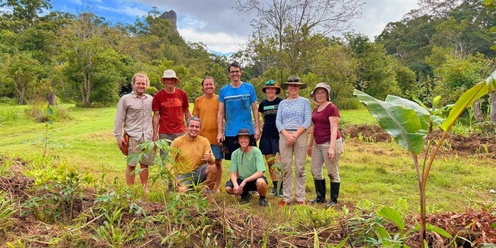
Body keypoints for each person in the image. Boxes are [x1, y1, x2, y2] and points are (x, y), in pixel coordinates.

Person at [113, 73, 154, 193]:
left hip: (147, 136)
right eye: (138, 83)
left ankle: (144, 188)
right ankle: (130, 189)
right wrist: (118, 136)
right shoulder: (125, 99)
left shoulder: (150, 99)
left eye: (143, 83)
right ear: (133, 84)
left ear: (146, 84)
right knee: (132, 163)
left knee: (145, 164)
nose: (141, 86)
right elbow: (119, 118)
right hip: (132, 136)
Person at [275, 75, 312, 206]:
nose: (293, 88)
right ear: (287, 88)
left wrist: (295, 135)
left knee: (300, 166)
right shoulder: (282, 103)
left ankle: (300, 197)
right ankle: (287, 197)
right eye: (291, 85)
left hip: (300, 133)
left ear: (299, 87)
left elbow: (308, 120)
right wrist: (286, 134)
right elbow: (278, 121)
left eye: (295, 85)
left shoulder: (305, 102)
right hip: (285, 134)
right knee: (286, 166)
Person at [152, 69, 191, 191]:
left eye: (172, 79)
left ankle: (182, 184)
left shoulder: (182, 94)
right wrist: (155, 133)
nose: (170, 81)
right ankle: (170, 185)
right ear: (164, 81)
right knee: (167, 160)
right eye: (167, 79)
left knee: (181, 158)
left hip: (180, 131)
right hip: (164, 132)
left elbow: (186, 111)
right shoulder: (158, 96)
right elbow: (156, 115)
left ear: (175, 81)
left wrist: (189, 128)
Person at [307, 83, 344, 207]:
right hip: (318, 143)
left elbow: (334, 129)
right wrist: (310, 145)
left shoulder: (331, 108)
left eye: (323, 92)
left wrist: (332, 148)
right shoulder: (316, 109)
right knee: (315, 170)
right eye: (318, 93)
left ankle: (333, 199)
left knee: (332, 171)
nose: (320, 95)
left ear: (327, 94)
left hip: (330, 142)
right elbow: (314, 127)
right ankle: (320, 197)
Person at [217, 61, 260, 160]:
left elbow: (254, 108)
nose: (235, 74)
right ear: (229, 74)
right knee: (234, 160)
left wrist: (257, 128)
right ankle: (235, 176)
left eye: (237, 71)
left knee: (250, 159)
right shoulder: (224, 90)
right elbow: (220, 112)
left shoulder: (249, 87)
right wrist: (220, 132)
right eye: (232, 72)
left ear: (241, 73)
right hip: (231, 132)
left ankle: (251, 176)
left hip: (248, 130)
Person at [169, 116, 218, 193]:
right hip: (181, 175)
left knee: (213, 167)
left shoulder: (204, 141)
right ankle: (183, 188)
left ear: (200, 129)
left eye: (197, 127)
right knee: (182, 192)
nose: (194, 129)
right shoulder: (177, 142)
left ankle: (208, 194)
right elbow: (169, 162)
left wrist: (210, 159)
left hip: (197, 172)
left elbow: (213, 159)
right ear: (186, 127)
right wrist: (174, 180)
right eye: (192, 126)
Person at [193, 76, 223, 193]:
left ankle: (217, 187)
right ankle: (206, 186)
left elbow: (224, 117)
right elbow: (195, 119)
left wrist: (222, 133)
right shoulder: (198, 101)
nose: (209, 86)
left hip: (216, 137)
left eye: (211, 84)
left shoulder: (220, 100)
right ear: (203, 87)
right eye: (206, 85)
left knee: (218, 162)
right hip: (202, 138)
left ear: (214, 86)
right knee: (204, 162)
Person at [225, 129, 268, 207]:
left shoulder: (256, 151)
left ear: (249, 140)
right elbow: (233, 173)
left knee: (261, 182)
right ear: (238, 140)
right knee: (228, 188)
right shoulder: (235, 153)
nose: (243, 140)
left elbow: (260, 171)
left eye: (246, 138)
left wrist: (245, 181)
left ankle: (262, 198)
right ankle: (245, 195)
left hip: (254, 179)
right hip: (241, 179)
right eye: (241, 138)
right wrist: (236, 185)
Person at [258, 80, 284, 197]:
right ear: (265, 91)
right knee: (270, 162)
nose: (270, 91)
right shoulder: (262, 104)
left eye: (272, 89)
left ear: (276, 90)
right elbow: (263, 118)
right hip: (267, 135)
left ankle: (281, 187)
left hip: (279, 135)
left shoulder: (282, 102)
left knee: (279, 163)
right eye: (268, 89)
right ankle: (275, 186)